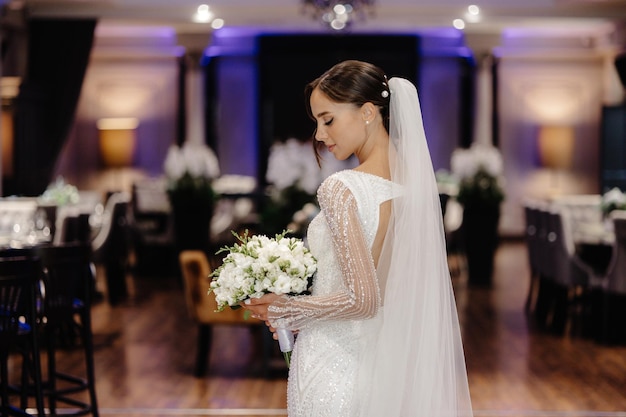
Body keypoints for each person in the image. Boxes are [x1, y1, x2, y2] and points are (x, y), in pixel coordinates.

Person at [243, 60, 473, 416]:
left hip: (334, 365)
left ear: (368, 112)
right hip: (388, 369)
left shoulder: (342, 187)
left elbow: (363, 299)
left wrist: (285, 307)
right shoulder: (414, 189)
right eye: (317, 123)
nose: (319, 135)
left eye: (328, 119)